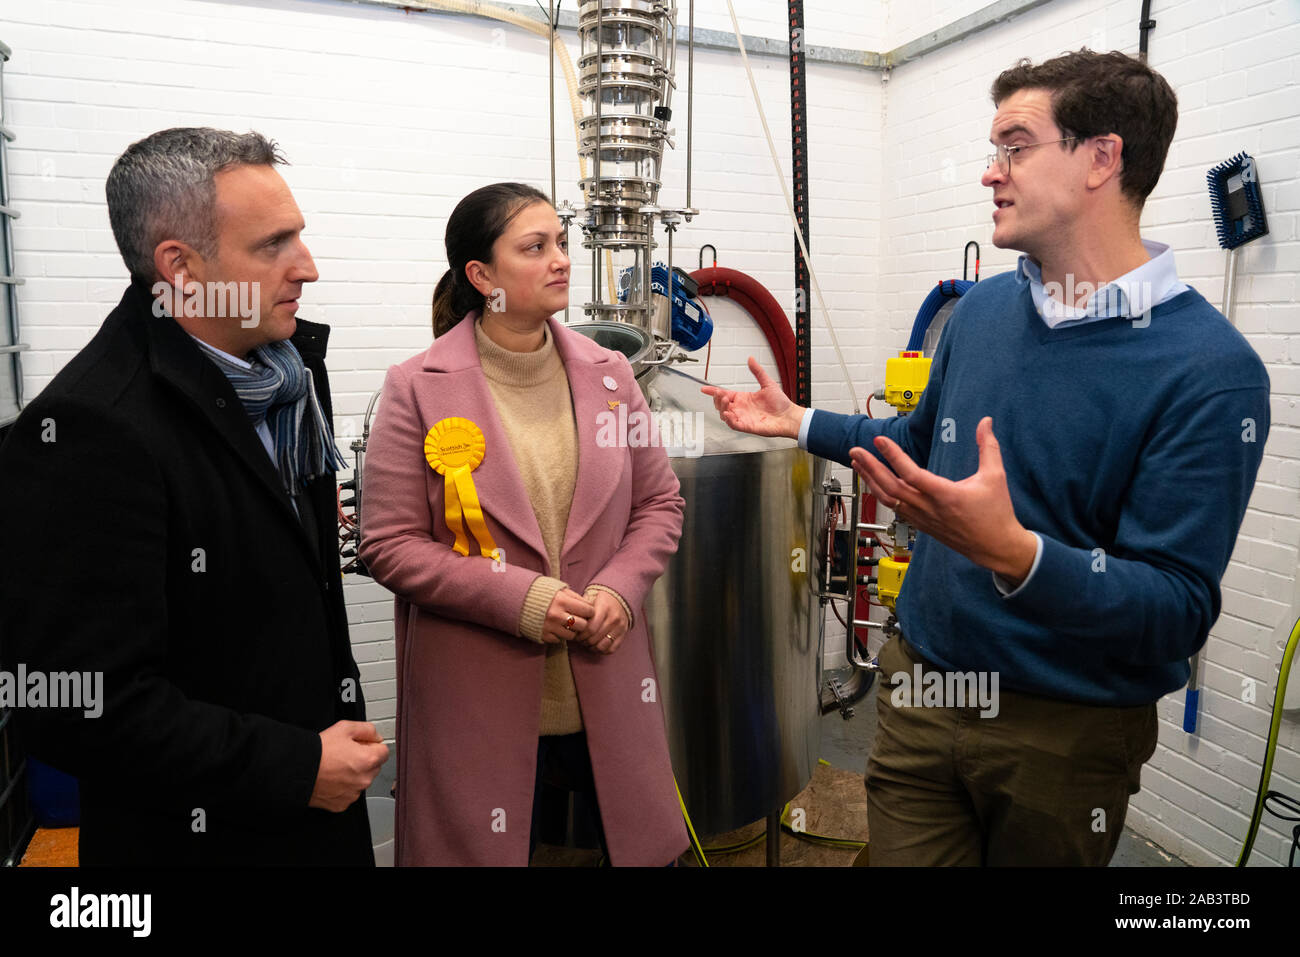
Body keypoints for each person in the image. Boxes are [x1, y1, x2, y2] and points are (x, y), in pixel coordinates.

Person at [703, 50, 1271, 865]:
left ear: (1101, 159)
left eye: (1013, 146)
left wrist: (1017, 555)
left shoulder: (1210, 372)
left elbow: (1176, 607)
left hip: (1062, 733)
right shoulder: (983, 312)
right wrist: (797, 421)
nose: (988, 174)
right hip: (922, 690)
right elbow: (911, 445)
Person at [0, 128, 387, 865]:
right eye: (274, 244)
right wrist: (296, 765)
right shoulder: (90, 430)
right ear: (180, 266)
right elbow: (75, 705)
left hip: (320, 815)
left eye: (299, 236)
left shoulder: (289, 372)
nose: (307, 267)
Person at [359, 182, 687, 866]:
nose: (561, 259)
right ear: (481, 276)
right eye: (535, 247)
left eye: (560, 243)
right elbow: (388, 545)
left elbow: (659, 504)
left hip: (604, 687)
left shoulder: (610, 375)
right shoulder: (417, 386)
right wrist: (521, 598)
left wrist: (621, 590)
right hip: (480, 697)